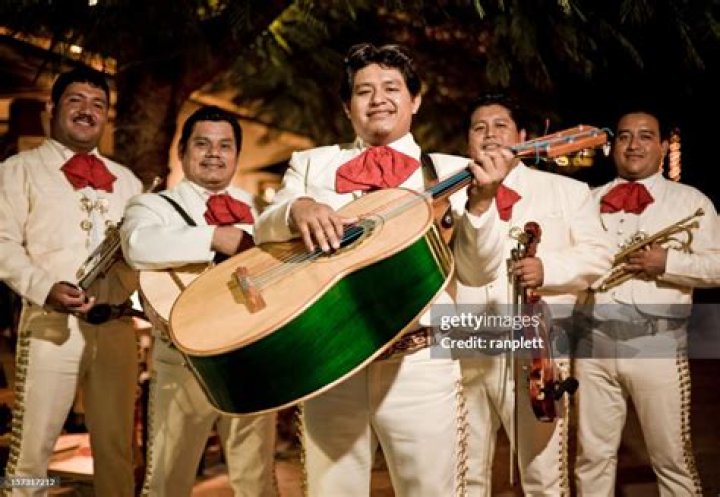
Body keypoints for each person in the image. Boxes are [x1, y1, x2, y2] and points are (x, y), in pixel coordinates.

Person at [253, 42, 513, 497]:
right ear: (347, 106)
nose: (378, 99)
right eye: (363, 90)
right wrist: (297, 208)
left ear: (415, 100)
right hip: (330, 361)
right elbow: (263, 230)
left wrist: (482, 203)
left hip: (419, 365)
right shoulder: (312, 164)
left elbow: (477, 271)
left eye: (392, 88)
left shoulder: (453, 170)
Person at [454, 93, 614, 496]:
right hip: (465, 349)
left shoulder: (567, 191)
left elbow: (599, 256)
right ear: (468, 141)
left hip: (537, 353)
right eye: (479, 128)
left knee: (544, 477)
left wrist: (549, 269)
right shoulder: (451, 194)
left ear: (523, 136)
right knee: (464, 475)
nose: (490, 135)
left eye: (501, 126)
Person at [120, 105, 277, 497]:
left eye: (225, 146)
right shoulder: (153, 205)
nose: (214, 154)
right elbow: (136, 245)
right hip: (183, 360)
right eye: (202, 144)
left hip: (251, 357)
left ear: (236, 155)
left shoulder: (261, 210)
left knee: (257, 479)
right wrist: (213, 237)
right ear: (182, 152)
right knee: (167, 478)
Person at [0, 67, 142, 497]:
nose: (87, 110)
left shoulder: (128, 181)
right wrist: (44, 287)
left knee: (117, 452)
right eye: (76, 100)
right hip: (51, 325)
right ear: (52, 108)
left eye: (98, 104)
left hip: (116, 327)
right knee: (32, 454)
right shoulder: (18, 169)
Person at [574, 107, 720, 496]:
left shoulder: (691, 202)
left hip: (656, 344)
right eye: (624, 136)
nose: (633, 145)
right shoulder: (586, 200)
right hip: (593, 345)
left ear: (664, 146)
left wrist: (667, 263)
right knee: (591, 458)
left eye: (645, 136)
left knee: (671, 459)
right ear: (613, 146)